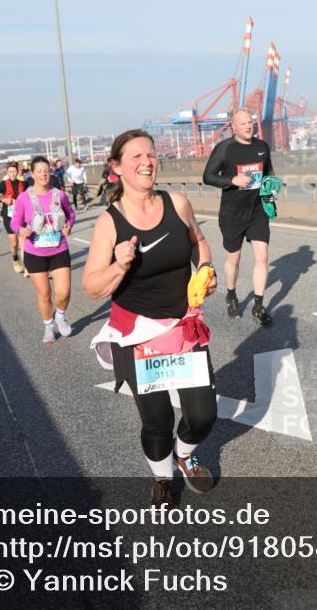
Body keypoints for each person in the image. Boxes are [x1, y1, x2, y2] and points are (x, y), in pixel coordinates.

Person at [83, 129, 218, 508]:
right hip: (138, 336)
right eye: (136, 156)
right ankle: (162, 478)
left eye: (151, 155)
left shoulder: (178, 203)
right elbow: (91, 286)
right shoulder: (110, 222)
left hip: (183, 326)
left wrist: (205, 269)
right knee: (157, 420)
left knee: (203, 415)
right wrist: (119, 265)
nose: (147, 162)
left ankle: (184, 454)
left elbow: (197, 241)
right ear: (116, 167)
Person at [202, 107, 275, 325]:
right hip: (232, 213)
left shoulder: (262, 146)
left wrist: (271, 190)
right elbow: (208, 176)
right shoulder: (225, 148)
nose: (248, 126)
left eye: (250, 122)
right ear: (234, 127)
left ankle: (258, 306)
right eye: (243, 123)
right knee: (234, 258)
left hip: (257, 211)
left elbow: (268, 173)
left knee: (262, 257)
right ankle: (231, 294)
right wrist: (231, 180)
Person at [11, 156, 76, 343]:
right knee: (44, 294)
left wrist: (69, 225)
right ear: (32, 174)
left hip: (58, 249)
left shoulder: (59, 195)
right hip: (35, 252)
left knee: (64, 292)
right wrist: (20, 230)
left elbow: (70, 214)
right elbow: (15, 222)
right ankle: (48, 326)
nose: (43, 174)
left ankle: (60, 316)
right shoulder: (24, 198)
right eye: (39, 171)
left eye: (46, 170)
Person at [0, 161, 28, 275]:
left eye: (14, 171)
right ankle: (15, 260)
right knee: (14, 243)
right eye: (10, 171)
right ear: (7, 172)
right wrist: (2, 199)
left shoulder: (23, 184)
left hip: (22, 215)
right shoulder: (3, 184)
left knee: (24, 241)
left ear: (17, 171)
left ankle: (27, 267)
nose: (12, 173)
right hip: (8, 216)